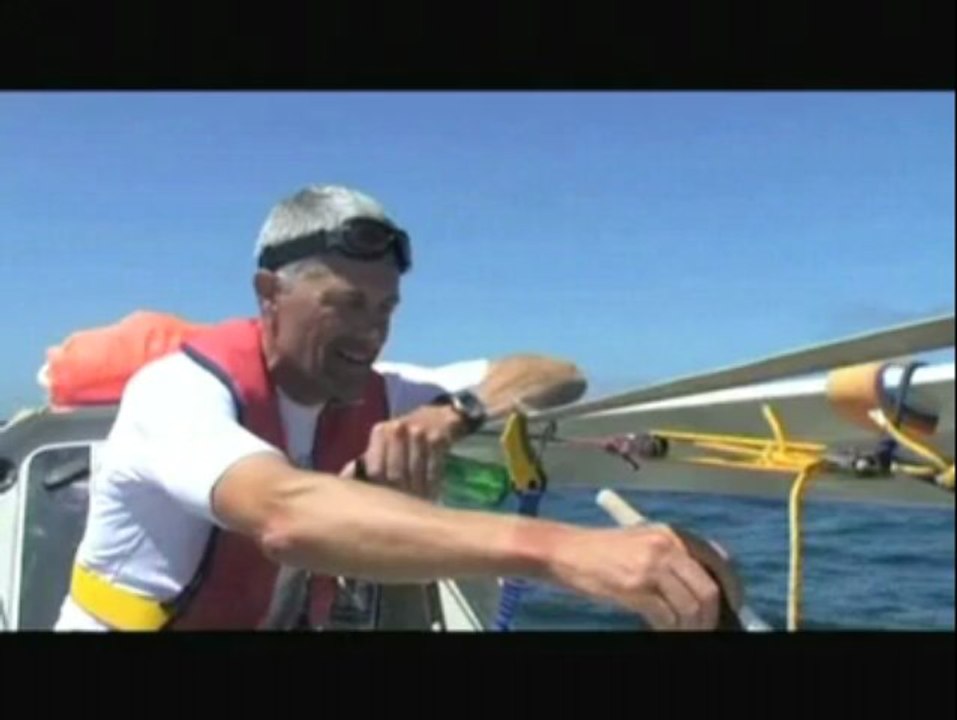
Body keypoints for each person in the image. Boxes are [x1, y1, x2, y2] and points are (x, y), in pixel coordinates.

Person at [56, 184, 725, 632]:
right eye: (346, 304)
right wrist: (560, 551)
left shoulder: (382, 387)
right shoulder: (177, 394)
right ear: (269, 294)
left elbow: (554, 374)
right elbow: (285, 515)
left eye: (385, 309)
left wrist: (454, 411)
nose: (371, 332)